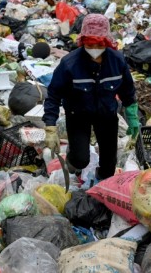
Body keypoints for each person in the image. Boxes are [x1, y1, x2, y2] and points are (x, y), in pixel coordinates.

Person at [43, 14, 139, 181]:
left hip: (107, 115)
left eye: (99, 43)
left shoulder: (117, 61)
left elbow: (127, 90)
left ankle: (100, 184)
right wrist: (50, 127)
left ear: (107, 42)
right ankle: (73, 157)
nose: (94, 47)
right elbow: (53, 95)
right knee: (80, 160)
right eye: (90, 43)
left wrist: (132, 117)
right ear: (83, 41)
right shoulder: (69, 64)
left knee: (109, 165)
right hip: (78, 115)